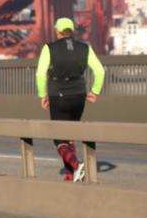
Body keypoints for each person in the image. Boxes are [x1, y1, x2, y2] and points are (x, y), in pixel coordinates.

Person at [35, 17, 106, 182]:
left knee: (59, 139)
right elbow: (100, 71)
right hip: (79, 95)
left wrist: (42, 94)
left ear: (58, 31)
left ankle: (76, 165)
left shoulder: (49, 48)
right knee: (70, 135)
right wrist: (94, 91)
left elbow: (40, 74)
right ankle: (70, 174)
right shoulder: (85, 48)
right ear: (72, 31)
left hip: (57, 96)